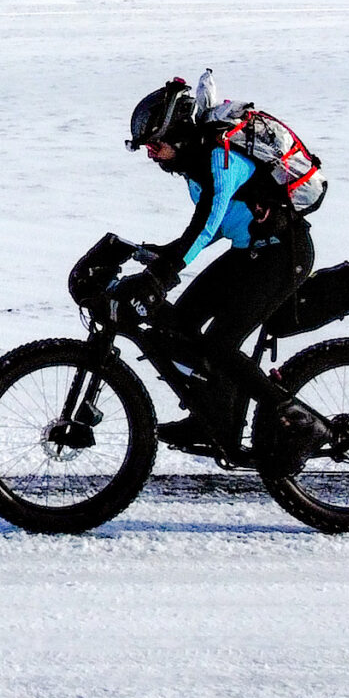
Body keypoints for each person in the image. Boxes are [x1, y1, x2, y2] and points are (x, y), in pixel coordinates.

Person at [123, 71, 315, 457]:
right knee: (177, 327)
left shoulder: (220, 158)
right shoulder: (195, 163)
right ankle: (214, 418)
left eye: (154, 144)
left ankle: (295, 420)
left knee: (221, 343)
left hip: (282, 254)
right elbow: (219, 226)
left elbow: (209, 219)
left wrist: (164, 272)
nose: (150, 153)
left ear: (175, 135)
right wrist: (165, 253)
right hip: (251, 252)